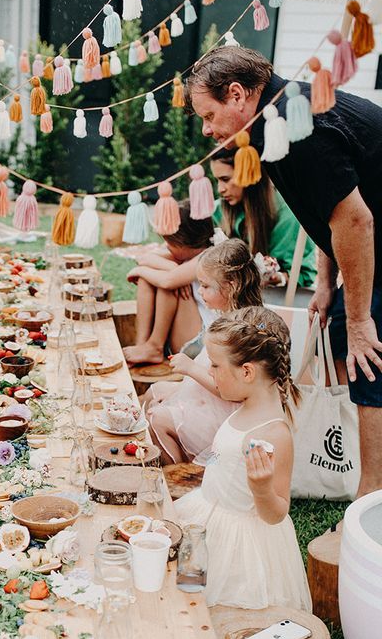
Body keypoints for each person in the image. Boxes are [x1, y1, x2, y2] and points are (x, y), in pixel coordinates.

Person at [185, 46, 382, 495]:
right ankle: (334, 456)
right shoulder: (271, 121)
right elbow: (329, 212)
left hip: (376, 239)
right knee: (336, 341)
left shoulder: (300, 127)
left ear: (237, 95)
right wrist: (327, 282)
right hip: (366, 238)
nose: (206, 128)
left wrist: (358, 318)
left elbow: (355, 220)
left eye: (209, 114)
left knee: (368, 358)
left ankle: (368, 499)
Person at [175, 307, 311, 611]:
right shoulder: (245, 402)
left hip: (241, 543)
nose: (209, 371)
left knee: (223, 607)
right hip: (209, 513)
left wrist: (262, 489)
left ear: (247, 372)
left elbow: (276, 513)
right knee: (189, 590)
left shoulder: (274, 433)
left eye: (214, 365)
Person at [145, 239, 264, 463]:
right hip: (208, 399)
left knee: (155, 418)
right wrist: (180, 388)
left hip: (227, 416)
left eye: (206, 286)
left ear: (230, 286)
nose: (199, 292)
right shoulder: (227, 316)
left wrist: (189, 368)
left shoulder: (238, 331)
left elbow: (230, 391)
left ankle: (182, 475)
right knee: (155, 392)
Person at [122, 201, 214, 365]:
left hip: (203, 342)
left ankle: (155, 346)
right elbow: (144, 258)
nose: (167, 247)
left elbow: (167, 281)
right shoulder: (184, 254)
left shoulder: (208, 257)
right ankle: (143, 345)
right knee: (149, 278)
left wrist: (139, 271)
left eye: (171, 243)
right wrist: (172, 266)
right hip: (189, 326)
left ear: (186, 241)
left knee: (163, 280)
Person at [210, 147, 316, 288]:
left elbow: (303, 274)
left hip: (272, 299)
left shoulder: (288, 215)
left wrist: (278, 278)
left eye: (225, 179)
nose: (220, 189)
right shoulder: (216, 210)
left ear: (247, 174)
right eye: (217, 180)